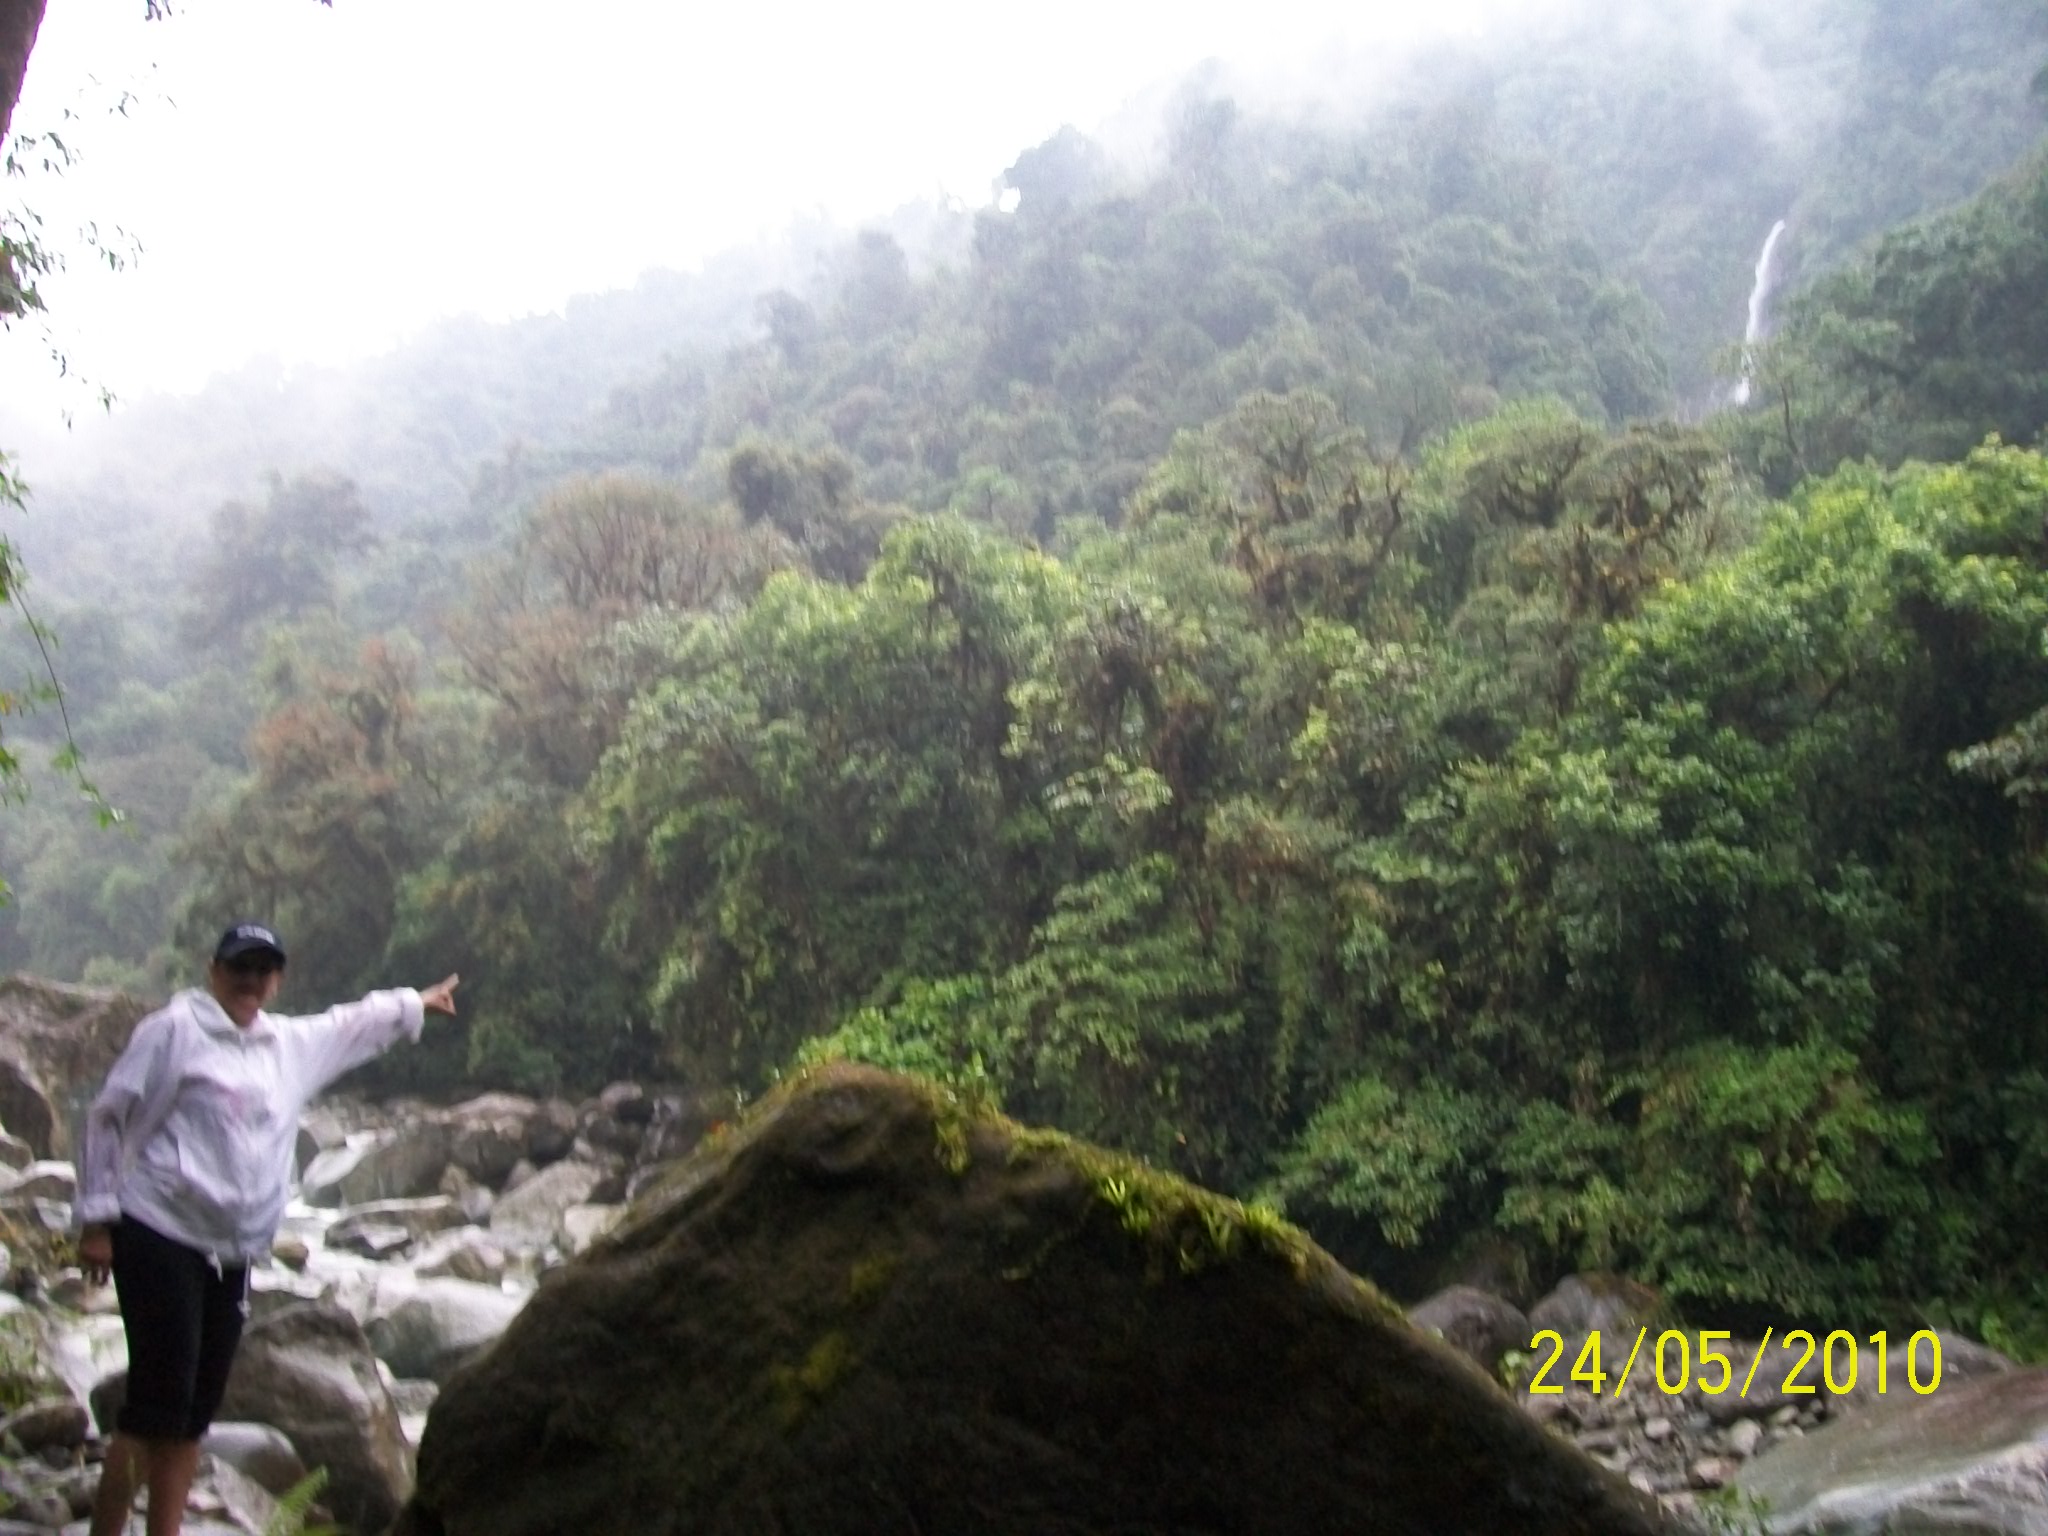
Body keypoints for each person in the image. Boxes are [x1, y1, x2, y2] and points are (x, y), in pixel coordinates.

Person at [74, 921, 459, 1536]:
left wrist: (414, 1003)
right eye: (239, 968)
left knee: (195, 1411)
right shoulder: (174, 1031)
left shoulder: (286, 1045)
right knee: (155, 1407)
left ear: (276, 981)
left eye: (263, 971)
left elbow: (349, 1023)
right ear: (213, 971)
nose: (250, 982)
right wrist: (96, 1218)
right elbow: (107, 1115)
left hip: (232, 1250)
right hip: (159, 1232)